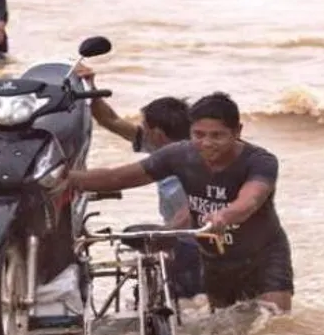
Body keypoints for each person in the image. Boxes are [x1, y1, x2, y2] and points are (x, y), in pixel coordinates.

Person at [68, 92, 294, 312]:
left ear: (237, 132)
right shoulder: (178, 155)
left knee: (272, 324)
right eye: (199, 134)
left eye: (217, 135)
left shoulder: (260, 161)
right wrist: (62, 179)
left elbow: (250, 199)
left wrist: (224, 215)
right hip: (215, 259)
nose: (206, 143)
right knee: (226, 333)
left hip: (263, 257)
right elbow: (116, 177)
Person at [76, 65, 203, 300]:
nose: (140, 130)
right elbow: (110, 120)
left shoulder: (195, 159)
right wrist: (91, 89)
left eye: (144, 126)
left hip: (195, 243)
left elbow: (193, 207)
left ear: (157, 133)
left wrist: (167, 234)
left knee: (189, 302)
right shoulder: (156, 146)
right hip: (179, 238)